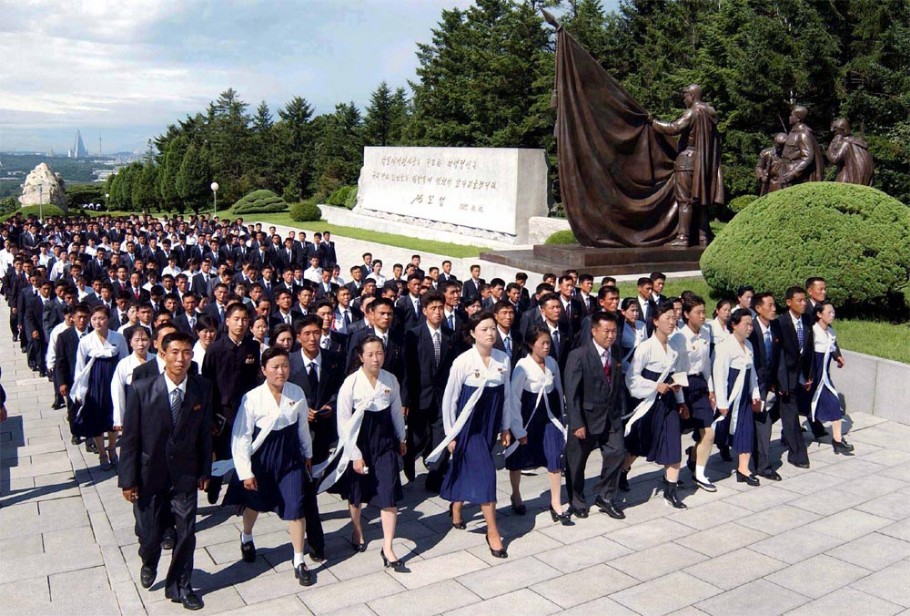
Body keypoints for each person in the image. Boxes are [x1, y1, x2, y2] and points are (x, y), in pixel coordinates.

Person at [119, 331, 211, 611]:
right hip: (149, 476)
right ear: (162, 354)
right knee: (150, 535)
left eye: (186, 353)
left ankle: (181, 586)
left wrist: (204, 470)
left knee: (186, 532)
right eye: (174, 352)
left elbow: (204, 433)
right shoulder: (141, 389)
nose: (181, 359)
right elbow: (131, 439)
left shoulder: (202, 388)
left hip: (185, 474)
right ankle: (149, 560)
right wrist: (128, 480)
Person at [428, 311, 518, 559]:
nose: (489, 333)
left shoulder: (503, 359)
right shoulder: (463, 361)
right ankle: (493, 532)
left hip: (490, 424)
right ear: (472, 333)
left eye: (492, 328)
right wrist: (450, 435)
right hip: (468, 426)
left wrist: (506, 427)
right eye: (484, 329)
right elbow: (450, 399)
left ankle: (456, 506)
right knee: (487, 473)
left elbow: (507, 395)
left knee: (468, 467)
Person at [224, 347, 316, 586]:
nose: (280, 371)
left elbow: (302, 427)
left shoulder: (296, 392)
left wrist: (308, 453)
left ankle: (298, 560)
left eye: (285, 366)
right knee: (255, 504)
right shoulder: (252, 398)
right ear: (264, 370)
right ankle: (246, 536)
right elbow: (241, 436)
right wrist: (245, 472)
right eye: (275, 367)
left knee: (296, 507)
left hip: (289, 456)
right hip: (262, 458)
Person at [316, 335, 408, 572]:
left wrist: (401, 438)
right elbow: (343, 423)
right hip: (358, 441)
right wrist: (355, 455)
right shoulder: (351, 383)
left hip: (384, 441)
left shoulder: (390, 379)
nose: (376, 359)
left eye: (380, 353)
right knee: (356, 492)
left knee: (388, 493)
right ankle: (357, 529)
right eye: (370, 354)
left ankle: (388, 547)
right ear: (360, 356)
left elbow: (396, 412)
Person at [288, 315, 345, 563]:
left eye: (316, 333)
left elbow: (340, 389)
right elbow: (281, 394)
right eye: (307, 334)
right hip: (296, 437)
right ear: (298, 337)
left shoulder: (333, 359)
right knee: (307, 491)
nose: (313, 338)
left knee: (309, 489)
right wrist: (301, 410)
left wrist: (331, 405)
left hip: (323, 434)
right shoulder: (289, 362)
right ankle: (316, 542)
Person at [624, 303, 690, 509]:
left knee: (673, 442)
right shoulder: (645, 347)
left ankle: (671, 490)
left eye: (673, 318)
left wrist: (681, 401)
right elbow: (632, 377)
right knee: (639, 442)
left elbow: (677, 376)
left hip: (668, 402)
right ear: (655, 321)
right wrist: (654, 386)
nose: (671, 322)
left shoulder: (674, 348)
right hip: (648, 401)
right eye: (667, 318)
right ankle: (622, 471)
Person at [506, 325, 570, 523]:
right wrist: (517, 429)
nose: (546, 347)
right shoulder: (522, 367)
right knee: (518, 458)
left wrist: (562, 415)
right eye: (542, 343)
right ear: (531, 344)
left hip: (549, 416)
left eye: (548, 343)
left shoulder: (552, 363)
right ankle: (516, 494)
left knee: (554, 455)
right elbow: (514, 399)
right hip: (527, 416)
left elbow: (558, 389)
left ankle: (556, 502)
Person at [649, 84, 725, 246]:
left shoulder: (692, 112)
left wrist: (653, 122)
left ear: (692, 95)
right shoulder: (710, 114)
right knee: (702, 202)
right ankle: (704, 237)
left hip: (687, 161)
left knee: (685, 200)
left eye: (685, 96)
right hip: (704, 163)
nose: (684, 100)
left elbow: (674, 128)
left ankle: (683, 238)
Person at [402, 291, 457, 492]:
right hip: (419, 396)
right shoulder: (413, 335)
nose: (437, 312)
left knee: (440, 436)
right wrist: (405, 400)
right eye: (433, 308)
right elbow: (407, 370)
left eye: (440, 308)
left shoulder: (450, 335)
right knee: (417, 437)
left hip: (442, 396)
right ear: (424, 311)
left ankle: (435, 476)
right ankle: (409, 458)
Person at [72, 305, 129, 470]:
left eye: (102, 318)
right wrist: (79, 391)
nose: (98, 322)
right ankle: (102, 453)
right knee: (96, 417)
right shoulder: (85, 341)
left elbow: (124, 359)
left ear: (108, 319)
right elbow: (80, 367)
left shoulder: (118, 338)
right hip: (94, 383)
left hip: (113, 379)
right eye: (95, 319)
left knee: (113, 415)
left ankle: (112, 448)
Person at [712, 309, 762, 486]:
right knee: (718, 432)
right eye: (746, 324)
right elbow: (720, 376)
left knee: (746, 428)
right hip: (729, 394)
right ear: (734, 325)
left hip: (744, 396)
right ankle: (695, 456)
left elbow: (752, 372)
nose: (750, 328)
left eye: (751, 324)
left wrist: (755, 393)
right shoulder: (724, 346)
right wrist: (722, 402)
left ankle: (743, 469)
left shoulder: (749, 345)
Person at [678, 296, 717, 491]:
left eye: (704, 311)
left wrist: (711, 389)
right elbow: (677, 370)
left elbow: (706, 364)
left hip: (700, 384)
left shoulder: (706, 333)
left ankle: (699, 474)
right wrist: (680, 401)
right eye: (698, 312)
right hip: (682, 386)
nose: (703, 316)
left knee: (708, 432)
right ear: (686, 314)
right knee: (675, 432)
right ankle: (671, 472)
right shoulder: (679, 337)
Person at [775, 286, 813, 468]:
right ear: (789, 302)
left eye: (804, 300)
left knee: (776, 413)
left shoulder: (807, 321)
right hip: (785, 378)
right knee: (790, 414)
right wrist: (780, 382)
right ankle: (797, 454)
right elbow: (778, 356)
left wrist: (808, 375)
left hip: (799, 376)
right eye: (799, 300)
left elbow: (808, 352)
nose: (803, 303)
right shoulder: (780, 323)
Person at [810, 301, 855, 455]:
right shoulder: (813, 331)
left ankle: (837, 440)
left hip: (824, 377)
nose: (832, 315)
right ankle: (787, 432)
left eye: (833, 312)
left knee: (834, 403)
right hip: (812, 376)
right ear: (819, 314)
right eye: (829, 312)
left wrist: (838, 357)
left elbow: (833, 347)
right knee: (799, 406)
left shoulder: (831, 332)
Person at [748, 292, 783, 481]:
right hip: (749, 384)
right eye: (769, 305)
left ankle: (763, 465)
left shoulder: (775, 328)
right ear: (758, 308)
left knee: (763, 422)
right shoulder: (750, 329)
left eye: (774, 305)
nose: (774, 309)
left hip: (766, 385)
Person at [111, 325, 152, 430]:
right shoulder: (124, 364)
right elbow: (117, 390)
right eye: (137, 340)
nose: (141, 344)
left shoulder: (156, 360)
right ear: (130, 342)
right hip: (132, 408)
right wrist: (119, 419)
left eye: (144, 340)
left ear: (150, 342)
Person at [779, 105, 825, 186]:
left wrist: (794, 172)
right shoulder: (793, 132)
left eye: (791, 115)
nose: (789, 117)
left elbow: (807, 157)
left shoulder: (803, 134)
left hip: (795, 177)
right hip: (786, 172)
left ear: (798, 118)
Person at [826, 118, 874, 185]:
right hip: (860, 181)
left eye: (835, 129)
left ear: (843, 129)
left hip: (847, 179)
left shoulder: (847, 143)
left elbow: (834, 159)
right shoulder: (858, 143)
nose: (832, 131)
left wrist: (833, 143)